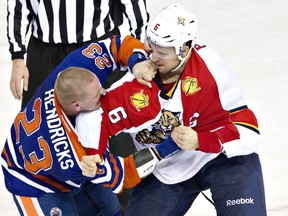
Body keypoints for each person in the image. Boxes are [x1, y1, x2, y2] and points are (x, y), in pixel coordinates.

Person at [79, 4, 267, 216]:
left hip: (220, 159)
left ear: (183, 50)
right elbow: (95, 116)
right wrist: (93, 152)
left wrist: (201, 140)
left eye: (161, 52)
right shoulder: (134, 82)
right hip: (166, 169)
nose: (152, 56)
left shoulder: (212, 70)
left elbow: (248, 129)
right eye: (151, 46)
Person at [0, 35, 162, 216]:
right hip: (33, 181)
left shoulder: (73, 71)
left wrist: (137, 61)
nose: (104, 92)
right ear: (76, 106)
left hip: (67, 165)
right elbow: (123, 174)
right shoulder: (73, 152)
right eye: (97, 95)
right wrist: (163, 151)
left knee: (112, 211)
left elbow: (118, 44)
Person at [7, 0, 149, 107]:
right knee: (38, 113)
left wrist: (139, 53)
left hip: (98, 46)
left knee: (108, 113)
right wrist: (17, 57)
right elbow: (18, 6)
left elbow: (134, 5)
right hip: (45, 50)